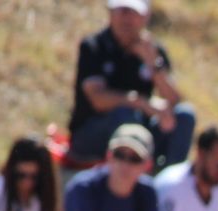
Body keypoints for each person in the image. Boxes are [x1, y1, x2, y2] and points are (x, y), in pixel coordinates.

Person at [67, 0, 195, 169]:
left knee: (184, 115)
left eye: (133, 13)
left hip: (141, 129)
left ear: (145, 17)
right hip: (91, 134)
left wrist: (153, 63)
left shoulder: (153, 50)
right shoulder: (94, 46)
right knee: (126, 115)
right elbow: (98, 99)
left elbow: (173, 100)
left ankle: (169, 178)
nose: (127, 19)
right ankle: (129, 169)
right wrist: (141, 103)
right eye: (122, 11)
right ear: (111, 13)